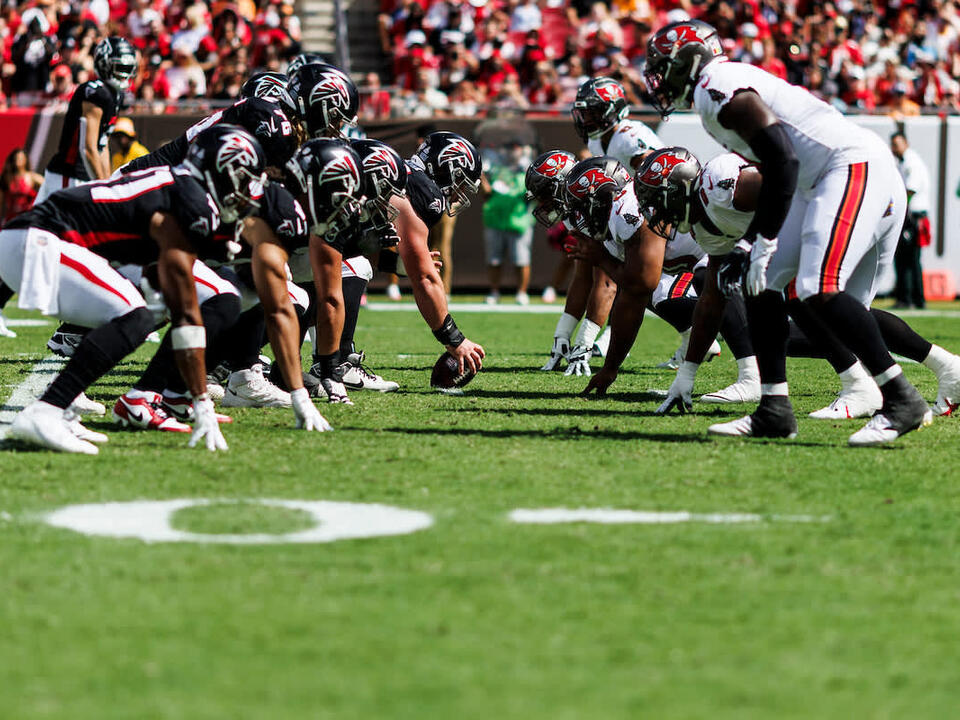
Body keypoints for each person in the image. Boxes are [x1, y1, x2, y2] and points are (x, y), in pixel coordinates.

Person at [644, 19, 934, 446]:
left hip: (845, 164)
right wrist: (755, 250)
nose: (658, 76)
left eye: (664, 65)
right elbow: (779, 163)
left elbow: (783, 159)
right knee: (762, 282)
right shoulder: (715, 89)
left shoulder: (716, 88)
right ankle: (774, 409)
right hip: (814, 178)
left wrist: (757, 240)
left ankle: (900, 397)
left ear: (688, 60)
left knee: (816, 285)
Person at [0, 125, 267, 454]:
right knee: (135, 316)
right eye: (244, 176)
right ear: (224, 168)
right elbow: (186, 313)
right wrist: (200, 402)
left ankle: (62, 406)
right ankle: (47, 410)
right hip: (41, 240)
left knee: (137, 311)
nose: (247, 189)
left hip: (33, 240)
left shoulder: (179, 185)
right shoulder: (191, 199)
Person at [36, 37, 137, 204]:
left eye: (128, 68)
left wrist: (107, 181)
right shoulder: (95, 93)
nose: (124, 74)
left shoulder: (115, 95)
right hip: (70, 174)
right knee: (53, 228)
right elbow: (88, 148)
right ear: (104, 65)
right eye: (120, 67)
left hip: (82, 175)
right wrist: (105, 188)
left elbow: (102, 145)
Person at [481, 142, 534, 305]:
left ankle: (522, 292)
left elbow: (530, 197)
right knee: (494, 259)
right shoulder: (496, 170)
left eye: (516, 150)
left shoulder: (527, 171)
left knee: (521, 260)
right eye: (510, 150)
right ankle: (494, 292)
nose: (513, 154)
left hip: (519, 221)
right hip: (495, 220)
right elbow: (486, 194)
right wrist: (481, 177)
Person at [890, 132, 930, 309]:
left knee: (908, 259)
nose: (894, 149)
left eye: (896, 144)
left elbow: (910, 190)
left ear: (905, 144)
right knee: (908, 259)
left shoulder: (911, 162)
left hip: (913, 217)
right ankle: (911, 297)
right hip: (913, 216)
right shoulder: (906, 162)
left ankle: (910, 298)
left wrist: (896, 208)